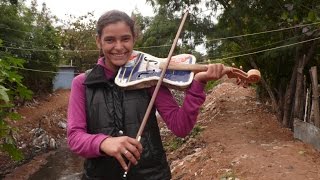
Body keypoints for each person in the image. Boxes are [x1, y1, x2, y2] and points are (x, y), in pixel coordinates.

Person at [67, 10, 227, 180]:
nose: (119, 47)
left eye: (125, 39)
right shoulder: (82, 83)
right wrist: (104, 142)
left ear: (134, 38)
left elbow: (181, 127)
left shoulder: (150, 76)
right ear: (98, 41)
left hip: (152, 175)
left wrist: (198, 84)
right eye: (110, 40)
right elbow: (75, 137)